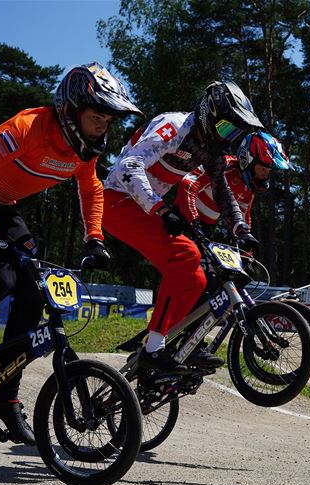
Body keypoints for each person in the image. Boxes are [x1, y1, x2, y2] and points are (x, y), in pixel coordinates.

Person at [0, 62, 141, 444]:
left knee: (32, 288)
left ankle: (3, 396)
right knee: (1, 278)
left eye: (108, 121)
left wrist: (95, 238)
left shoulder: (84, 148)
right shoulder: (30, 126)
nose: (102, 127)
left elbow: (91, 189)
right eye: (96, 117)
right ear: (70, 111)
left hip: (2, 207)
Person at [102, 81, 264, 371]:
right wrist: (161, 208)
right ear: (209, 114)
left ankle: (170, 346)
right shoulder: (175, 126)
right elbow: (128, 166)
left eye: (237, 133)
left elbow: (222, 192)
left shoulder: (209, 148)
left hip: (141, 206)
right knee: (185, 256)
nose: (230, 138)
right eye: (228, 129)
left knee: (197, 279)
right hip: (116, 200)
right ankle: (153, 348)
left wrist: (241, 228)